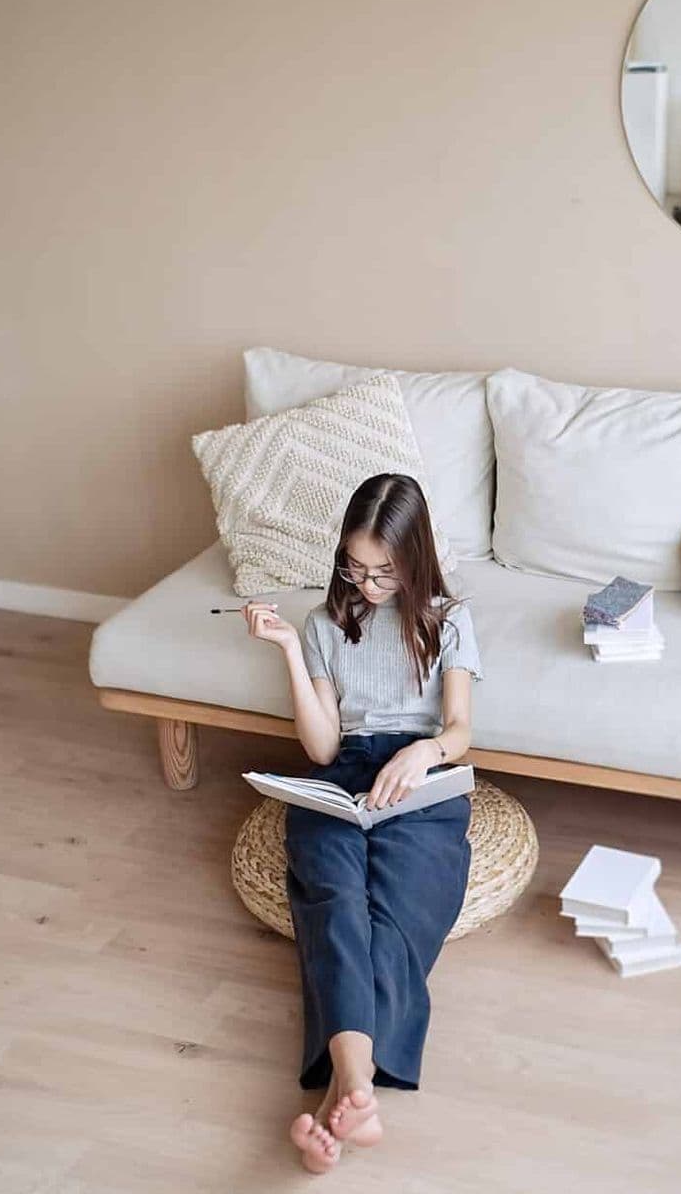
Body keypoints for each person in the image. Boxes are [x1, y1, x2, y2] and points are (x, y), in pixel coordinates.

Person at [241, 472, 481, 1174]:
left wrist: (425, 750)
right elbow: (318, 747)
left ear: (416, 556)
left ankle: (339, 1099)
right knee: (334, 904)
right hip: (343, 773)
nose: (369, 585)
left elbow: (461, 728)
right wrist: (288, 647)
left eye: (385, 570)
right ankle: (356, 1092)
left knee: (396, 916)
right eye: (356, 567)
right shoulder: (323, 625)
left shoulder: (450, 618)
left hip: (421, 776)